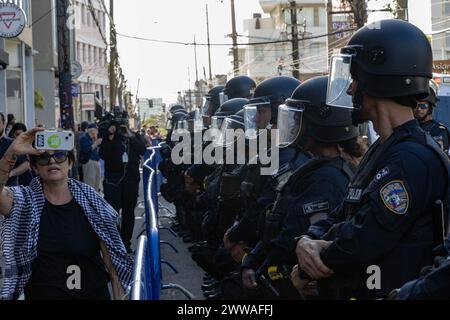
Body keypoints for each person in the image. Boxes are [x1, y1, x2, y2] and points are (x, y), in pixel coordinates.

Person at [295, 19, 450, 299]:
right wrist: (305, 241)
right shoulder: (384, 149)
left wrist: (310, 264)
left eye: (356, 79)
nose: (351, 90)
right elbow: (341, 213)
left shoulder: (411, 158)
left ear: (380, 77)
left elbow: (365, 238)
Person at [0, 128, 132, 300]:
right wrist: (11, 152)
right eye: (44, 157)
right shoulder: (23, 202)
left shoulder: (92, 203)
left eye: (60, 155)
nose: (52, 161)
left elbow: (113, 267)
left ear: (70, 163)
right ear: (34, 167)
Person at [99, 120, 147, 253]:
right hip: (112, 181)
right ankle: (116, 242)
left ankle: (126, 243)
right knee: (112, 212)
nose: (121, 130)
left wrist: (131, 135)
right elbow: (103, 154)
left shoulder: (133, 136)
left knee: (128, 212)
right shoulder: (110, 138)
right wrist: (110, 137)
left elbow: (143, 150)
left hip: (130, 180)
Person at [413, 80, 450, 154]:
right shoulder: (408, 127)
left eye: (423, 106)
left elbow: (439, 156)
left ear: (430, 109)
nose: (418, 109)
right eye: (415, 105)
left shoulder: (438, 131)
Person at [0, 113, 30, 187]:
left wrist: (12, 173)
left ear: (4, 124)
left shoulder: (13, 143)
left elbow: (26, 164)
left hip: (9, 190)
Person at [79, 123, 102, 192]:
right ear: (92, 131)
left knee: (96, 184)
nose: (97, 132)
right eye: (96, 130)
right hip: (89, 162)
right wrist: (96, 143)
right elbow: (86, 150)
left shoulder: (93, 139)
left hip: (96, 162)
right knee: (90, 183)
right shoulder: (84, 138)